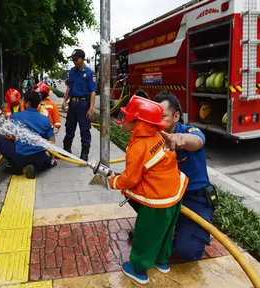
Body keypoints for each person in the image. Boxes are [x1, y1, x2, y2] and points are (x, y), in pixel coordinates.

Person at [108, 95, 188, 285]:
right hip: (174, 195)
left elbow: (131, 178)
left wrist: (114, 181)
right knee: (165, 232)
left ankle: (139, 270)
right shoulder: (157, 135)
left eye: (127, 116)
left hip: (156, 202)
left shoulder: (138, 145)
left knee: (146, 234)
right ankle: (162, 261)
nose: (122, 119)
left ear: (138, 121)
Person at [153, 91, 218, 262]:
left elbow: (197, 141)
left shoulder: (188, 131)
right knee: (133, 194)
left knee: (187, 252)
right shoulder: (153, 135)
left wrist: (179, 138)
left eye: (163, 116)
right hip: (168, 195)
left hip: (193, 198)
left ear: (176, 116)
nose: (158, 121)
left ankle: (193, 230)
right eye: (155, 116)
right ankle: (159, 226)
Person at [0, 91, 57, 178]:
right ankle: (35, 166)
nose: (22, 103)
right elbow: (51, 139)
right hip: (38, 156)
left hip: (21, 157)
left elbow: (8, 135)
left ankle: (16, 167)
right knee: (48, 162)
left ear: (28, 104)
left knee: (1, 140)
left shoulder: (15, 116)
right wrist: (52, 157)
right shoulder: (45, 119)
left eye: (23, 101)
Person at [62, 48, 96, 161]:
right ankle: (66, 149)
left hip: (83, 104)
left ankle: (84, 153)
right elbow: (69, 87)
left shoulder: (89, 73)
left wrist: (91, 108)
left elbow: (92, 92)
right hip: (72, 104)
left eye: (76, 59)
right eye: (73, 59)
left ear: (83, 59)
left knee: (84, 129)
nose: (74, 61)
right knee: (69, 128)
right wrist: (64, 101)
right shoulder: (72, 72)